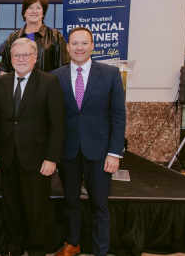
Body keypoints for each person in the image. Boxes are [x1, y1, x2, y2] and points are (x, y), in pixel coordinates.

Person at [51, 27, 125, 256]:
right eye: (75, 43)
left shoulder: (111, 74)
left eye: (84, 43)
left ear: (92, 46)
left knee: (99, 205)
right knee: (71, 201)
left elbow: (119, 115)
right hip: (68, 150)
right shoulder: (55, 76)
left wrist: (115, 152)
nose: (79, 48)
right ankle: (73, 243)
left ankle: (101, 250)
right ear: (68, 47)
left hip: (100, 151)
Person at [0, 38, 65, 256]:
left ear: (35, 58)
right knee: (11, 208)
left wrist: (52, 158)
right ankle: (15, 246)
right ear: (10, 59)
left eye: (25, 55)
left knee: (35, 210)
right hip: (8, 156)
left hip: (38, 159)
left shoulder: (49, 82)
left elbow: (57, 124)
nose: (20, 59)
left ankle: (36, 249)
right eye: (16, 56)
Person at [0, 0, 69, 74]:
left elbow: (63, 68)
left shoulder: (55, 36)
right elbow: (4, 68)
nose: (34, 11)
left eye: (38, 8)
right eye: (30, 7)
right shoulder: (13, 37)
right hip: (18, 85)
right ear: (24, 12)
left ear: (43, 13)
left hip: (46, 85)